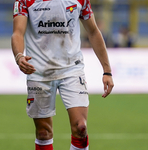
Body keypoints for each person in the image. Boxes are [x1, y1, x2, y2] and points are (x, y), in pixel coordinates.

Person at [11, 0, 114, 150]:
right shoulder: (25, 1)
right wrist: (19, 56)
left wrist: (107, 71)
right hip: (39, 72)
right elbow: (17, 33)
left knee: (81, 128)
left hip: (72, 70)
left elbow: (93, 32)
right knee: (43, 133)